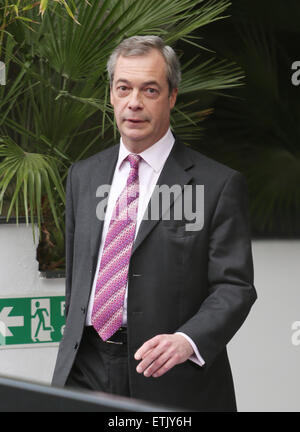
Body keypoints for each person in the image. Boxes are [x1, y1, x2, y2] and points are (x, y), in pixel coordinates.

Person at [52, 35, 257, 412]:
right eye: (124, 88)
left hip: (168, 375)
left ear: (172, 96)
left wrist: (187, 341)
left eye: (150, 90)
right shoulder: (83, 176)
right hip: (85, 369)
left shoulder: (217, 185)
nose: (134, 102)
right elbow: (77, 276)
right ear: (111, 94)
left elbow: (235, 287)